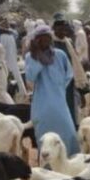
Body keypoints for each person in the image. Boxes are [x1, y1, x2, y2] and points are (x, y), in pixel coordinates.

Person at [25, 24, 79, 156]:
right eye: (42, 38)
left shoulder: (60, 55)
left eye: (48, 38)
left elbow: (69, 75)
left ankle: (69, 161)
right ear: (37, 40)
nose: (46, 41)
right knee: (44, 136)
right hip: (42, 104)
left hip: (60, 101)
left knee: (68, 132)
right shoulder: (31, 57)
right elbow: (30, 76)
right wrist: (39, 58)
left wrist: (59, 87)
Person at [52, 15, 88, 126]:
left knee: (71, 109)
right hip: (54, 83)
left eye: (65, 28)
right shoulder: (50, 43)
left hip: (69, 83)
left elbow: (76, 64)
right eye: (60, 28)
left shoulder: (68, 43)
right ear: (54, 28)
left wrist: (82, 92)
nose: (63, 31)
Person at [0, 18, 26, 97]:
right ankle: (22, 93)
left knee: (6, 78)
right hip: (12, 58)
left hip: (6, 60)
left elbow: (1, 50)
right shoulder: (11, 37)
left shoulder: (2, 37)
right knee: (17, 76)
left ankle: (8, 94)